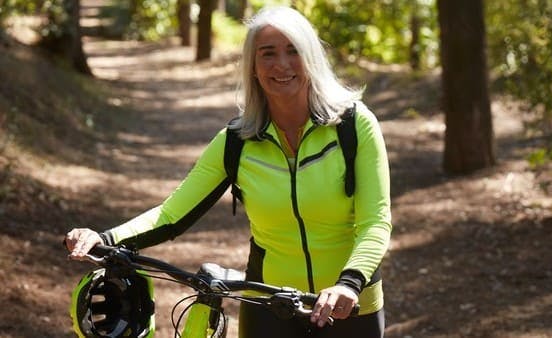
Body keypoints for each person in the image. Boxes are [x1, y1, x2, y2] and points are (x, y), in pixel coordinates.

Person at [65, 6, 391, 338]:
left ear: (312, 57)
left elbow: (375, 221)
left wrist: (348, 284)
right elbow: (172, 214)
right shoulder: (237, 142)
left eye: (294, 51)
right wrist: (105, 239)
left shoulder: (353, 126)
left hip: (350, 304)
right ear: (252, 66)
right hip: (269, 304)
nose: (282, 64)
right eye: (268, 54)